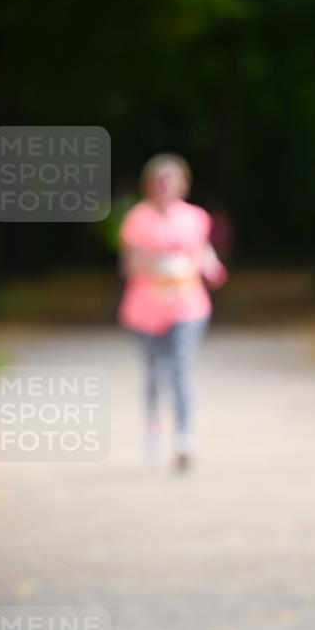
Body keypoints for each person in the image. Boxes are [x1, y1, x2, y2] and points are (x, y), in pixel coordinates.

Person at [119, 154, 227, 470]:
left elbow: (202, 252)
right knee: (155, 372)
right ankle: (154, 427)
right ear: (149, 184)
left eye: (172, 178)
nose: (165, 184)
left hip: (188, 306)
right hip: (145, 308)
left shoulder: (196, 217)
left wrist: (209, 265)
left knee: (181, 367)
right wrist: (162, 260)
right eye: (159, 178)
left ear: (184, 183)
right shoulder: (137, 219)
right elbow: (130, 265)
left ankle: (183, 436)